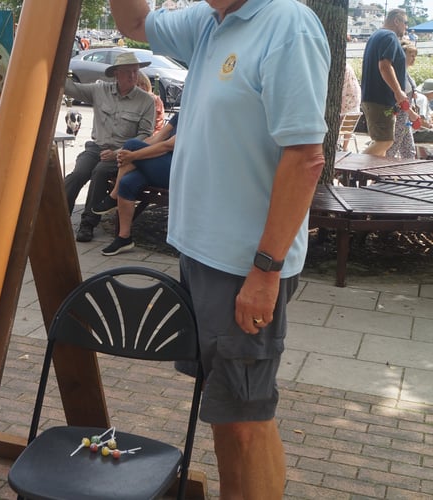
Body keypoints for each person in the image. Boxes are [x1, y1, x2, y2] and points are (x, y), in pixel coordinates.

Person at [109, 1, 329, 499]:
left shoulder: (286, 23)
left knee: (246, 421)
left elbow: (305, 158)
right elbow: (135, 24)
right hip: (205, 256)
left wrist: (266, 272)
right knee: (228, 411)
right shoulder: (210, 18)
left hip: (244, 265)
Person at [63, 51, 155, 242]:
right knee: (79, 173)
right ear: (116, 74)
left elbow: (145, 135)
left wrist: (118, 153)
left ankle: (88, 223)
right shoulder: (100, 90)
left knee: (100, 172)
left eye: (135, 71)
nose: (133, 76)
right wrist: (58, 67)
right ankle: (59, 216)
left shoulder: (146, 101)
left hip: (124, 153)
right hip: (96, 147)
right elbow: (70, 88)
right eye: (128, 71)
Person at [93, 112, 178, 256]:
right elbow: (157, 138)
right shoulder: (180, 115)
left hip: (178, 171)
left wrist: (133, 155)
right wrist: (122, 154)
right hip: (159, 164)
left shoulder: (199, 117)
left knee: (132, 145)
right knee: (127, 182)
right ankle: (124, 237)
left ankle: (113, 197)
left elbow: (168, 146)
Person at [360, 9, 419, 157]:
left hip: (373, 98)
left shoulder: (376, 36)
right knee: (385, 142)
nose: (406, 27)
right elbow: (384, 66)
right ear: (396, 21)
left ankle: (372, 178)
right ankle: (350, 170)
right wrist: (398, 91)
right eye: (405, 23)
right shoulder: (389, 36)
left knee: (383, 147)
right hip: (380, 100)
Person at [387, 41, 420, 160]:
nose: (414, 58)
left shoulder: (405, 73)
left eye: (415, 55)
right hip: (400, 114)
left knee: (409, 149)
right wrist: (412, 114)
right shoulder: (399, 74)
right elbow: (400, 99)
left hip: (405, 117)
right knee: (393, 147)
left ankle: (407, 174)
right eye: (411, 55)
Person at [340, 61, 361, 151]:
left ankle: (339, 146)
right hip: (354, 104)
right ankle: (345, 147)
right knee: (347, 122)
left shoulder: (342, 68)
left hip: (346, 102)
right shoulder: (348, 67)